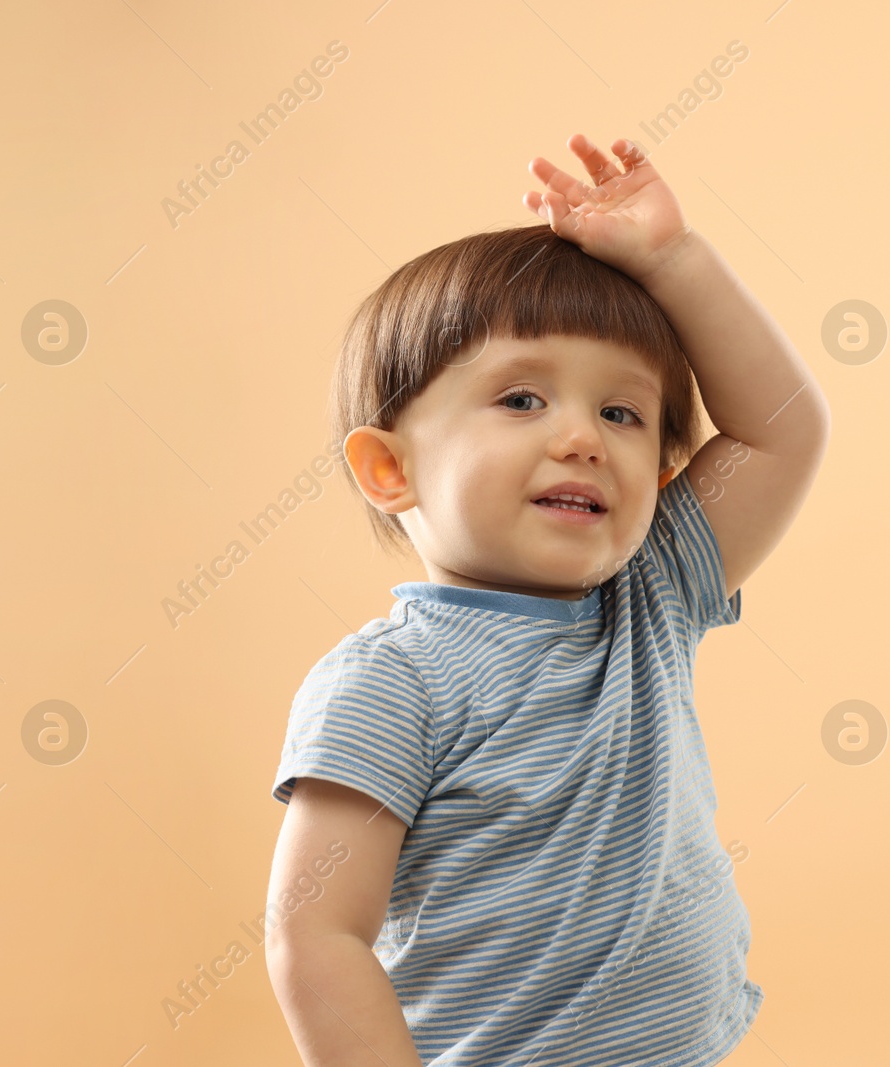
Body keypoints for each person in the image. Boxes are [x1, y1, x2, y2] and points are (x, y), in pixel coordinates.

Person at [265, 134, 832, 1066]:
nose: (582, 438)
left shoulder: (654, 592)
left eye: (622, 413)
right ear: (389, 467)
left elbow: (783, 430)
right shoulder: (390, 684)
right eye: (522, 400)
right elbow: (314, 935)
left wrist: (673, 261)